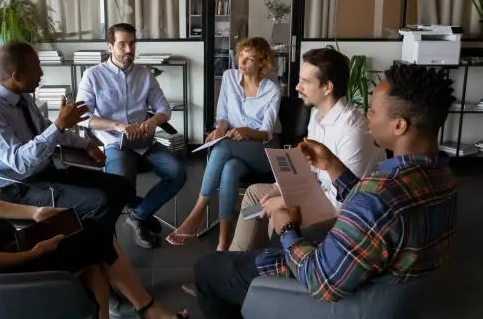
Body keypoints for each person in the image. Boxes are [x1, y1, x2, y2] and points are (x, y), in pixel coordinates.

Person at [0, 84, 188, 319]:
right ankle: (148, 308)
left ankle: (139, 307)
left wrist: (35, 212)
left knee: (93, 240)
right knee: (96, 238)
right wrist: (34, 252)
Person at [193, 63, 458, 318]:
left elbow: (321, 282)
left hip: (332, 292)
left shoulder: (379, 193)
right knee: (262, 242)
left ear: (400, 125)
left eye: (374, 111)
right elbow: (377, 214)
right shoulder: (442, 178)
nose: (368, 115)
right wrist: (333, 167)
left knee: (207, 270)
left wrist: (287, 228)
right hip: (377, 284)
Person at [0, 42, 135, 236]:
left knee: (121, 187)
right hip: (16, 188)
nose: (41, 73)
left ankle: (98, 245)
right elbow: (19, 163)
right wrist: (59, 125)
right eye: (36, 68)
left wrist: (86, 144)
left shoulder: (23, 97)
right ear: (17, 76)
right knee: (99, 202)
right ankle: (85, 253)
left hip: (44, 173)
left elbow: (45, 128)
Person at [229, 47, 386, 253]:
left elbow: (347, 201)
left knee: (280, 211)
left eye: (306, 81)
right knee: (254, 194)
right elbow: (309, 171)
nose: (297, 87)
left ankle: (271, 268)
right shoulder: (317, 115)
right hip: (318, 193)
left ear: (327, 87)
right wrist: (280, 188)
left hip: (343, 213)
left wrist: (286, 199)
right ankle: (235, 258)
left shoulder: (352, 131)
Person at [76, 23, 187, 249]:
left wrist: (153, 121)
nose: (129, 49)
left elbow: (164, 108)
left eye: (132, 43)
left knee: (178, 173)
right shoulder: (93, 76)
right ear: (110, 47)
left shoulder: (145, 74)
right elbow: (82, 116)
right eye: (122, 44)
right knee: (121, 186)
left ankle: (138, 216)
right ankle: (138, 213)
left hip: (143, 142)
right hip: (113, 143)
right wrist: (118, 126)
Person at [165, 37, 281, 251]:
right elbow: (223, 114)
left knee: (222, 147)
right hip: (235, 148)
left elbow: (267, 132)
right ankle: (223, 242)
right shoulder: (229, 78)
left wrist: (246, 132)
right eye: (241, 57)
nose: (242, 63)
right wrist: (220, 129)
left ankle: (197, 213)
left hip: (262, 151)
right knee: (229, 169)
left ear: (262, 63)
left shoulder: (272, 90)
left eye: (250, 59)